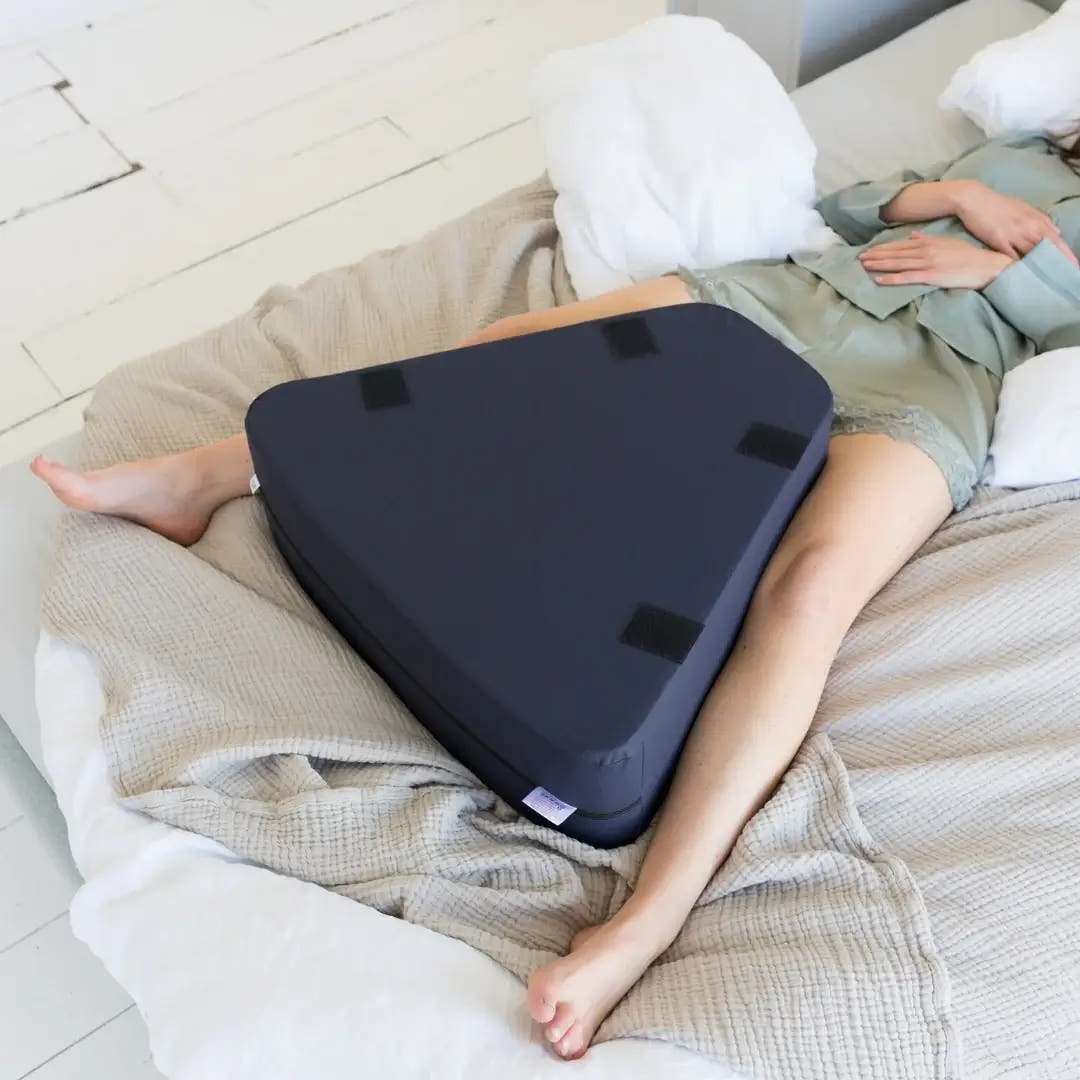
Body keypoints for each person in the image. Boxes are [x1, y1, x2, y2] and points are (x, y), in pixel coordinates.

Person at [33, 131, 1080, 1059]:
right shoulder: (1029, 142)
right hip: (780, 298)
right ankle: (217, 470)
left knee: (808, 594)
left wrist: (1008, 264)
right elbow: (860, 209)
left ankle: (647, 922)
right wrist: (948, 199)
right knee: (495, 363)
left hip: (938, 382)